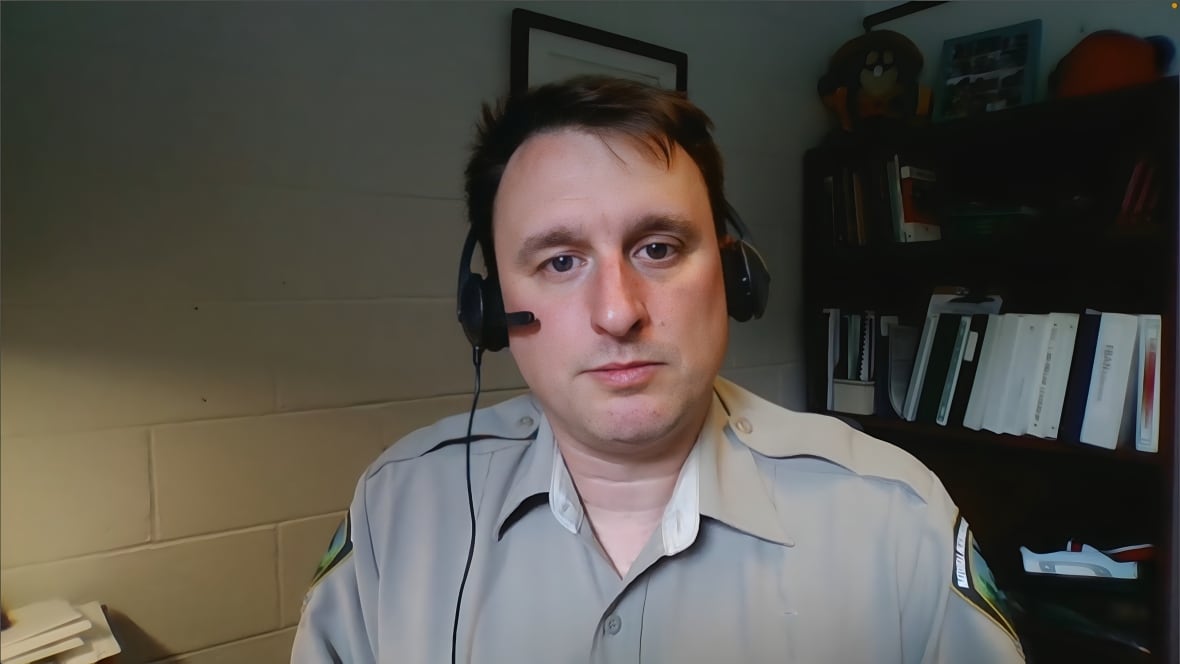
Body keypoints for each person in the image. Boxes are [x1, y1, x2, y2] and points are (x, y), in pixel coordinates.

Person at [291, 75, 1025, 663]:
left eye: (658, 249)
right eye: (560, 261)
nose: (618, 312)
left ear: (735, 278)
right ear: (489, 308)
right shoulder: (397, 511)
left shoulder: (895, 520)